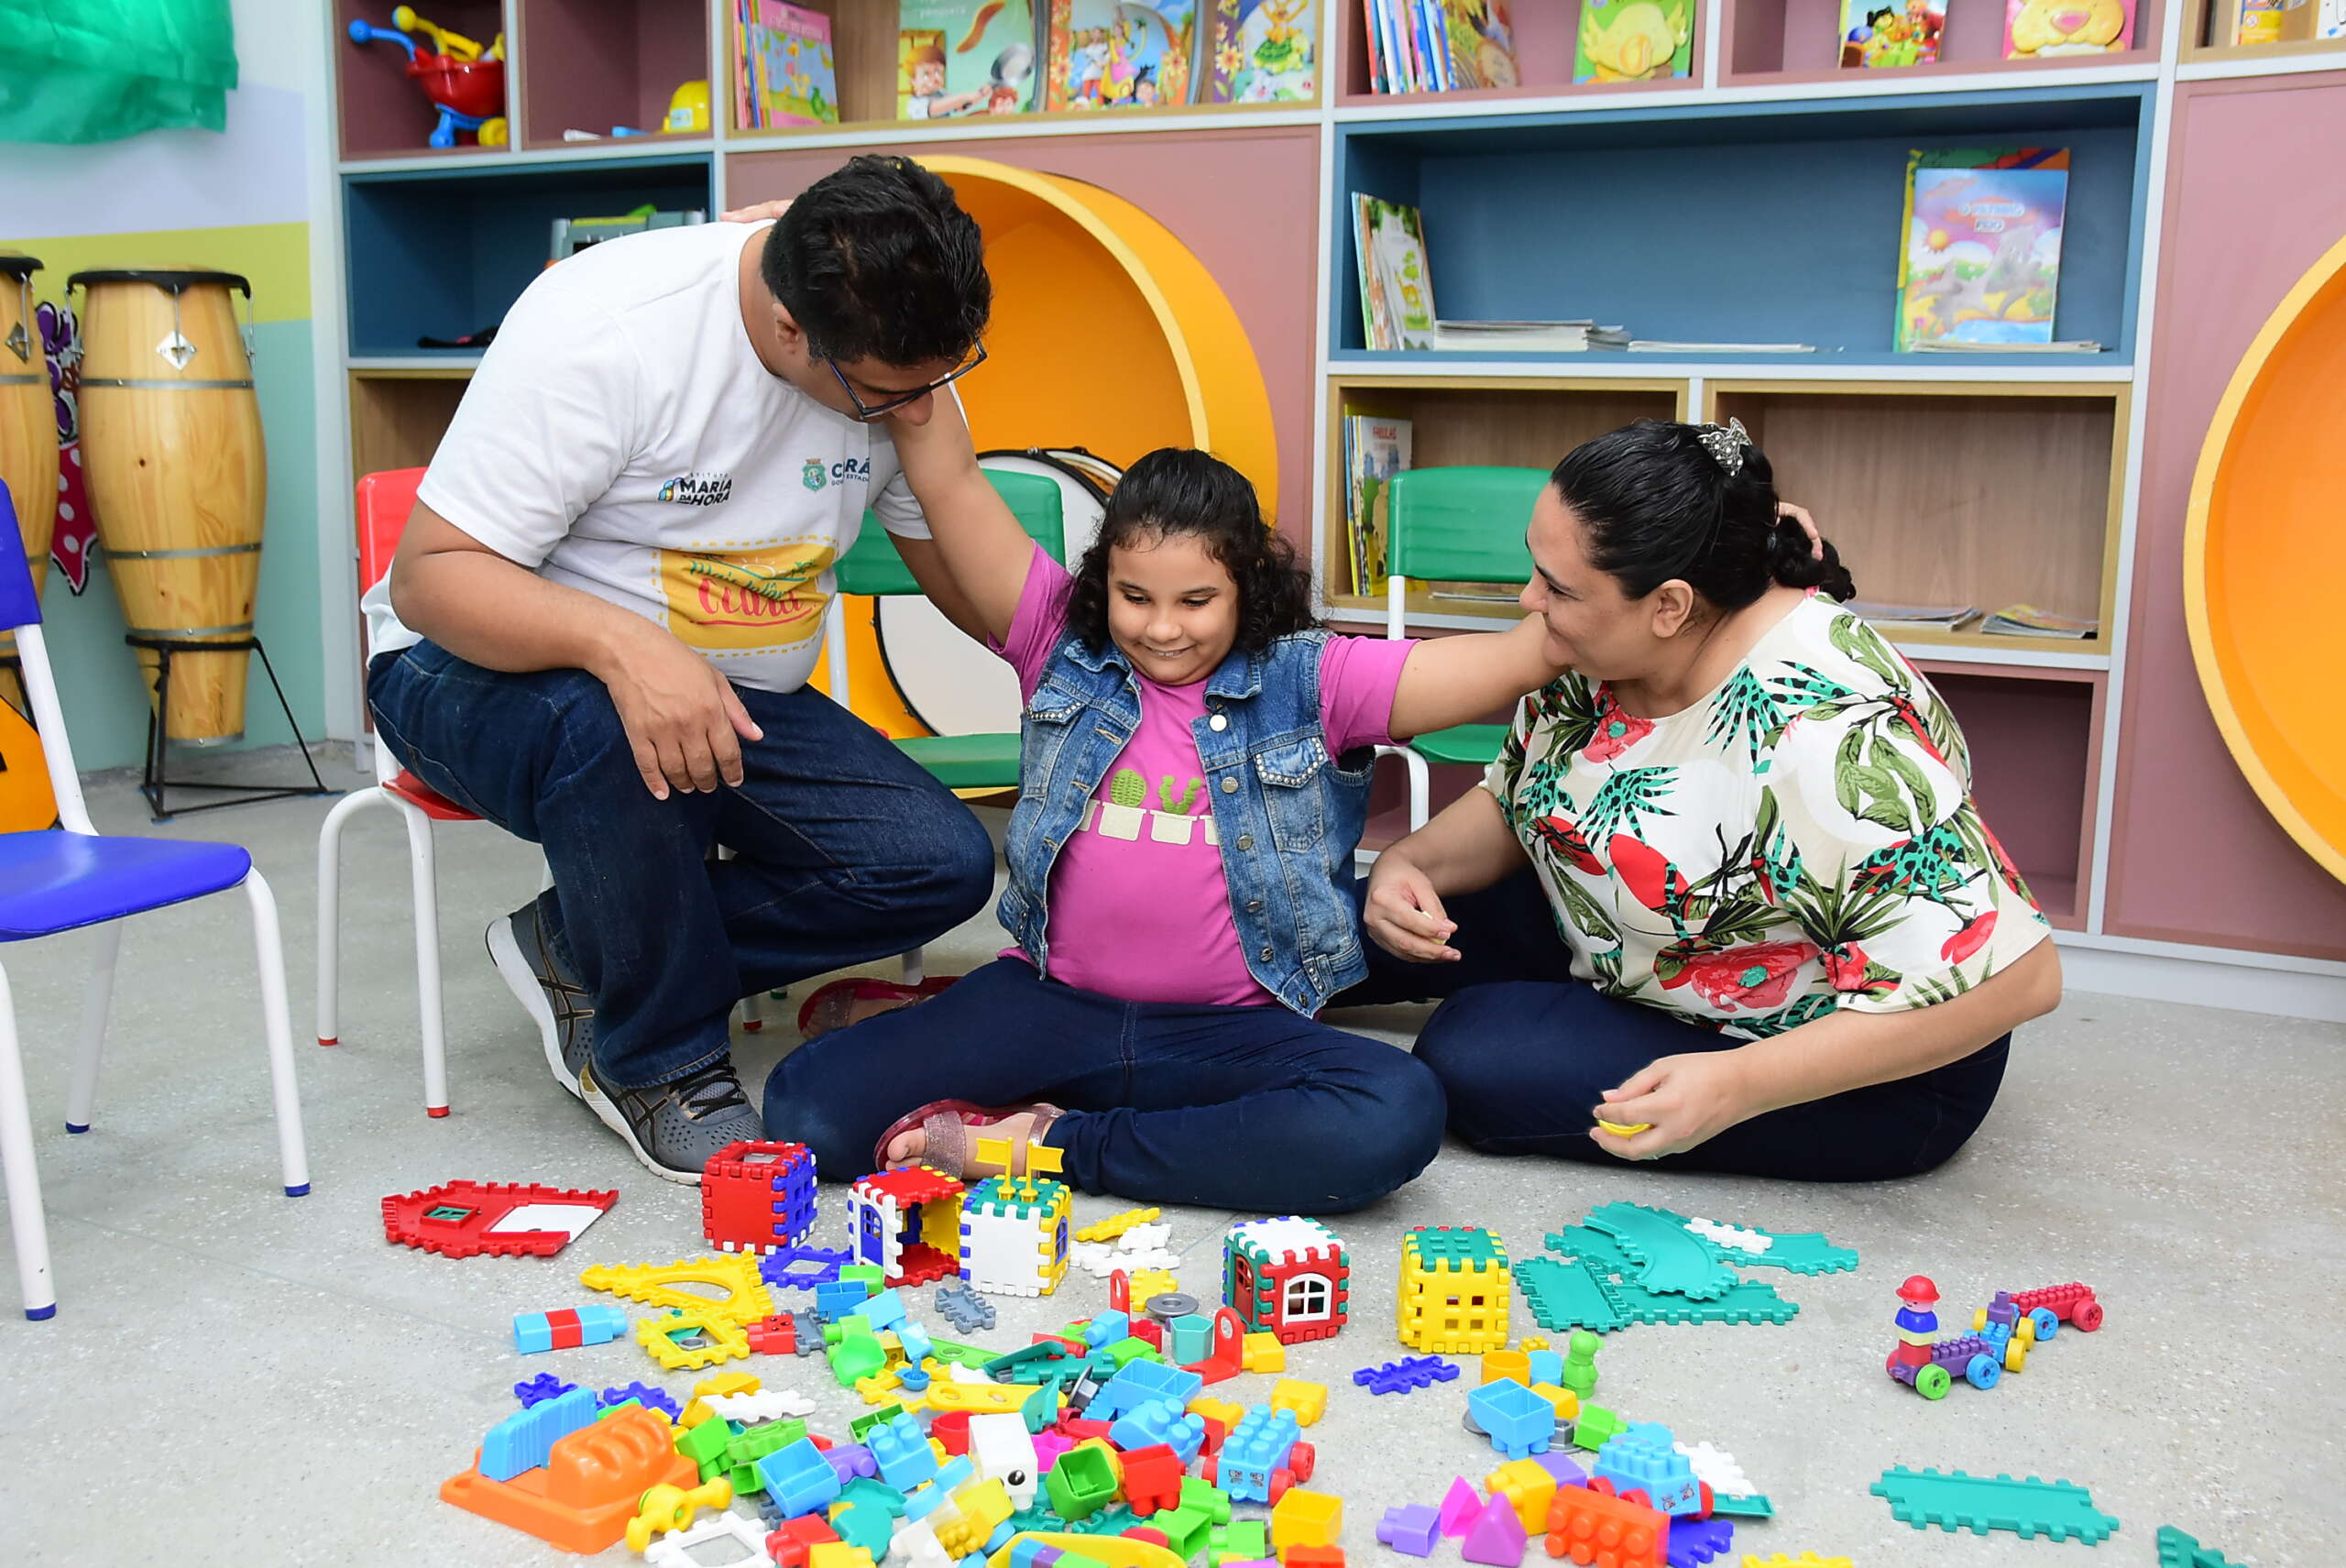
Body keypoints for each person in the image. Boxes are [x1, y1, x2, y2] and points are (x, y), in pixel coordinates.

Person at [363, 156, 1000, 1182]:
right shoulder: (609, 330)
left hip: (729, 689)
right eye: (891, 394)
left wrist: (1113, 667)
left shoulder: (896, 343)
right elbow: (433, 582)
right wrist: (623, 644)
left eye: (937, 381)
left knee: (937, 864)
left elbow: (972, 580)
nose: (916, 409)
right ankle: (655, 1055)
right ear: (792, 330)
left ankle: (582, 948)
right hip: (467, 665)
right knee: (614, 720)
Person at [761, 438, 1568, 1214]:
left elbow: (1513, 661)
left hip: (1230, 1032)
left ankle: (1053, 1141)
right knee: (809, 1112)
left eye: (1197, 600)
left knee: (1394, 1109)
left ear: (1247, 583)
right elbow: (955, 485)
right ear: (1102, 580)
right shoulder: (1056, 641)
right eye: (1135, 596)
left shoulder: (1315, 678)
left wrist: (1597, 590)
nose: (1161, 627)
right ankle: (962, 1032)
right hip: (1053, 1005)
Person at [1336, 418, 2061, 1181]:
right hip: (1647, 910)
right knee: (1322, 925)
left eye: (1557, 587)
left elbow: (2024, 976)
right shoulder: (1601, 646)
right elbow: (1524, 796)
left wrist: (1735, 1086)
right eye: (1535, 569)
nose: (1528, 599)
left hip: (1864, 1057)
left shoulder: (1826, 729)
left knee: (1474, 1053)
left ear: (1670, 606)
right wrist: (1406, 861)